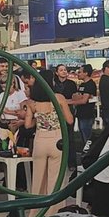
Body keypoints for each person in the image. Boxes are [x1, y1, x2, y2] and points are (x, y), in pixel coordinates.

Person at [20, 73, 73, 206]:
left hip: (40, 140)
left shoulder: (32, 102)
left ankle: (36, 211)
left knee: (38, 179)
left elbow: (27, 125)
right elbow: (70, 120)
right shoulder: (59, 98)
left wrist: (39, 119)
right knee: (55, 180)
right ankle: (54, 211)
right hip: (57, 140)